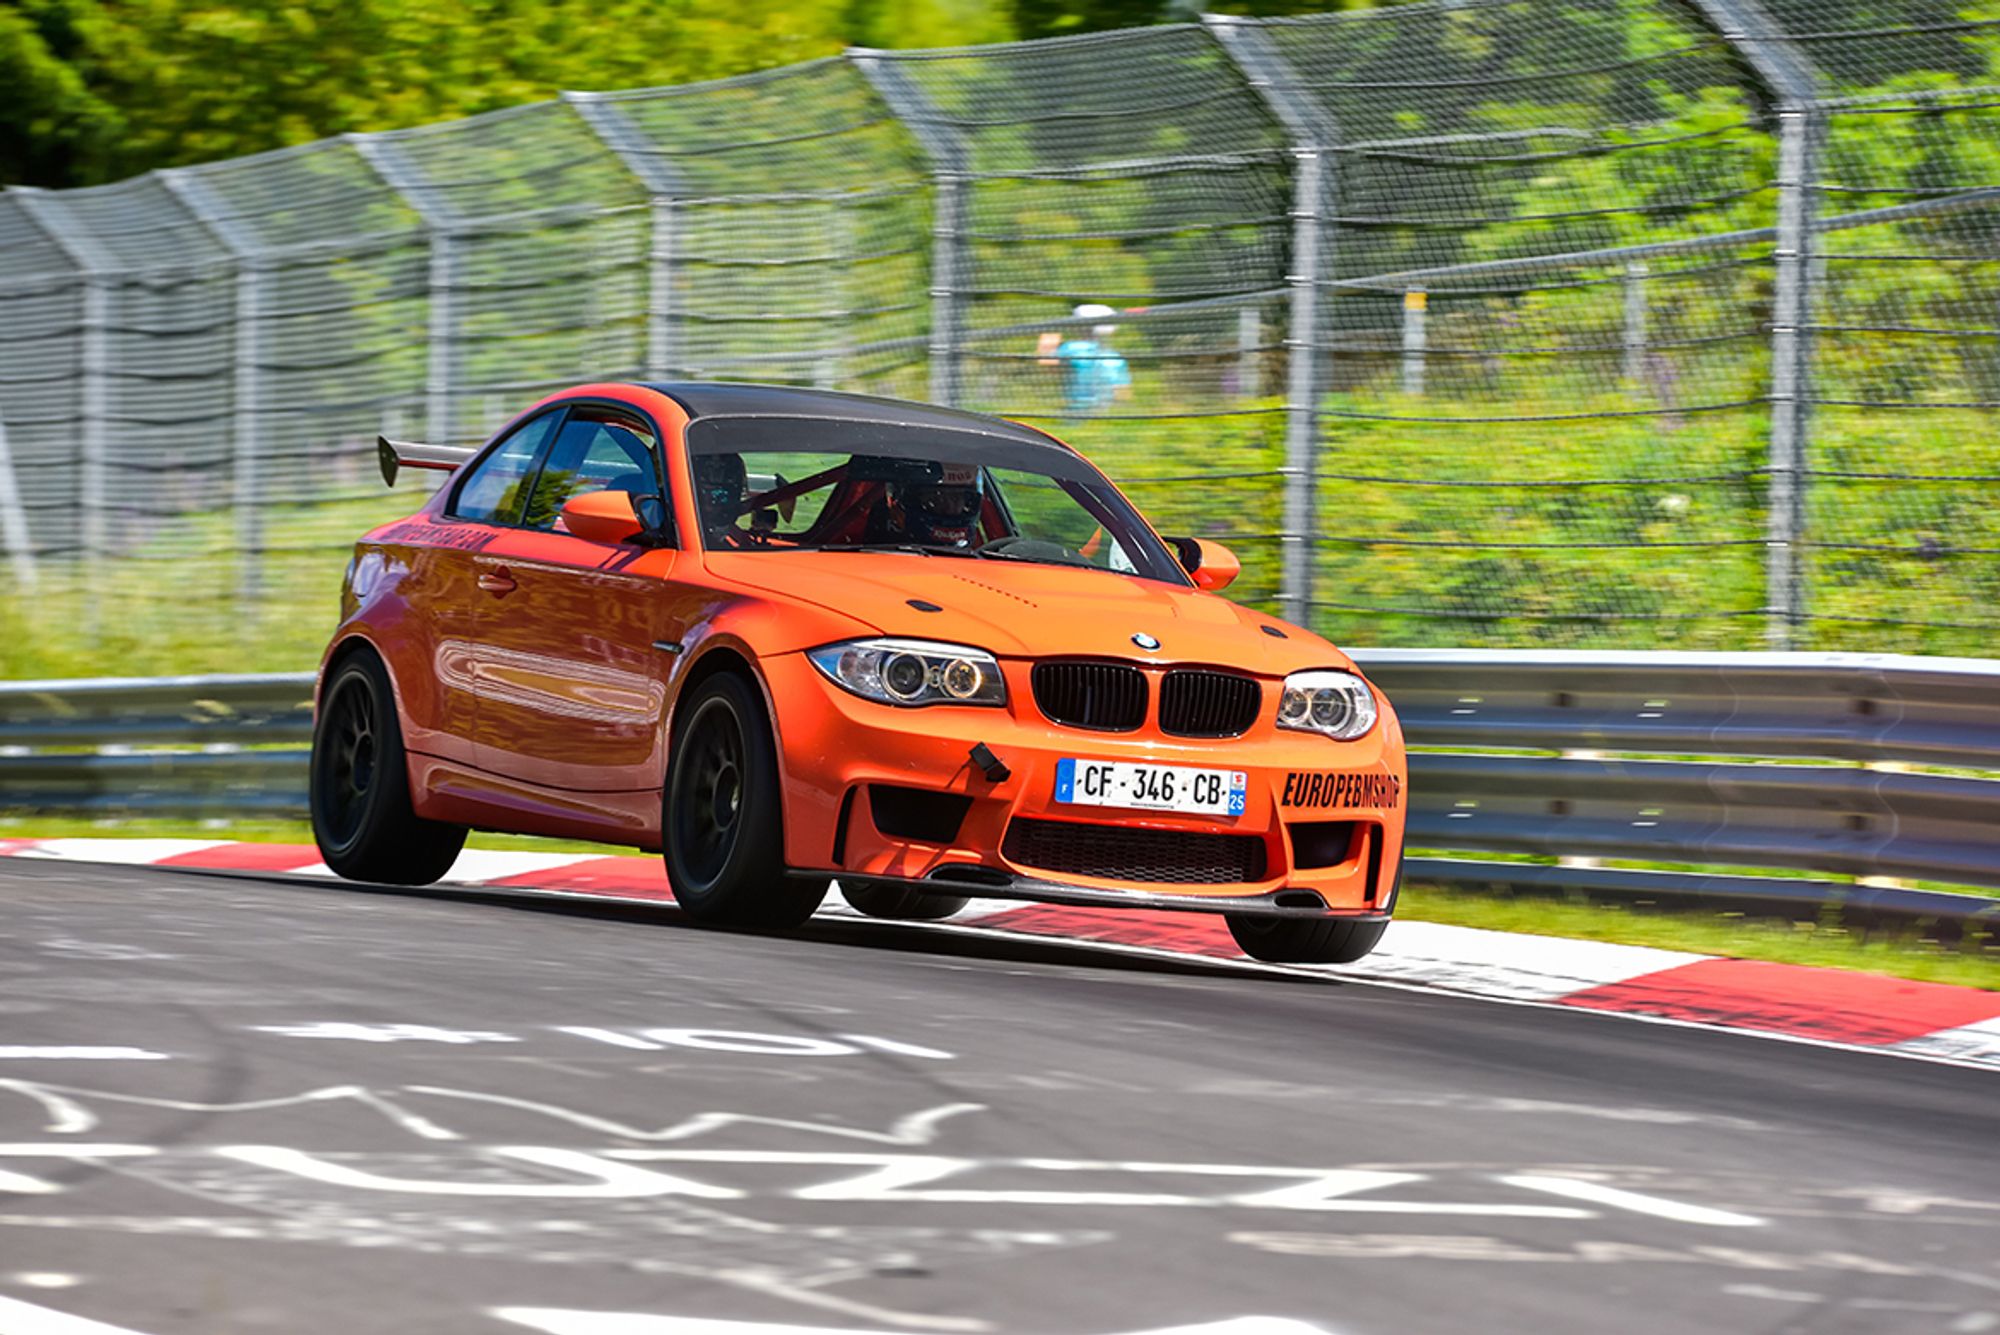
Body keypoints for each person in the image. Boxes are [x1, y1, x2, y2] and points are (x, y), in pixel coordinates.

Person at [1037, 303, 1132, 413]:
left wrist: (1051, 332)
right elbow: (1122, 393)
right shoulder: (1115, 356)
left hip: (1076, 408)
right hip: (1104, 411)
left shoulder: (1071, 349)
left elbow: (1045, 362)